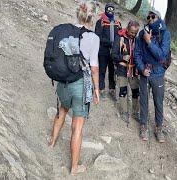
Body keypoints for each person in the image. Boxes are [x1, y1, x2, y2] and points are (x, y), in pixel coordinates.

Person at [47, 1, 100, 175]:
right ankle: (74, 168)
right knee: (77, 126)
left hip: (63, 81)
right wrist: (97, 89)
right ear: (92, 18)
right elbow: (94, 68)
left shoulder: (63, 30)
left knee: (62, 110)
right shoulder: (93, 38)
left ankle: (51, 143)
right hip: (81, 84)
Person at [134, 9, 171, 143]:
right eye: (148, 17)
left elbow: (162, 55)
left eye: (152, 16)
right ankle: (143, 126)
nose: (149, 19)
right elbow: (137, 54)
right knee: (143, 100)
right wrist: (141, 68)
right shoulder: (141, 34)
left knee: (158, 101)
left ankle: (158, 128)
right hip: (145, 72)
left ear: (158, 18)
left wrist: (149, 42)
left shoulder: (165, 34)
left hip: (158, 73)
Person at [111, 20, 140, 122]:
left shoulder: (137, 40)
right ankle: (123, 111)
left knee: (136, 92)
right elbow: (113, 55)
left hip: (134, 70)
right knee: (123, 91)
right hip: (122, 69)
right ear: (127, 29)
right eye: (132, 32)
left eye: (135, 33)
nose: (133, 34)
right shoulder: (119, 38)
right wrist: (122, 57)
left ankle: (135, 112)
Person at [95, 3, 121, 99]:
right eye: (108, 9)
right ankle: (101, 89)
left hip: (114, 51)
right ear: (105, 9)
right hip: (103, 50)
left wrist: (117, 46)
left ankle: (112, 89)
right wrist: (110, 43)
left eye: (112, 9)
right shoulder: (100, 22)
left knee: (112, 70)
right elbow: (97, 36)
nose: (110, 11)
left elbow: (120, 35)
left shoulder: (117, 23)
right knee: (102, 70)